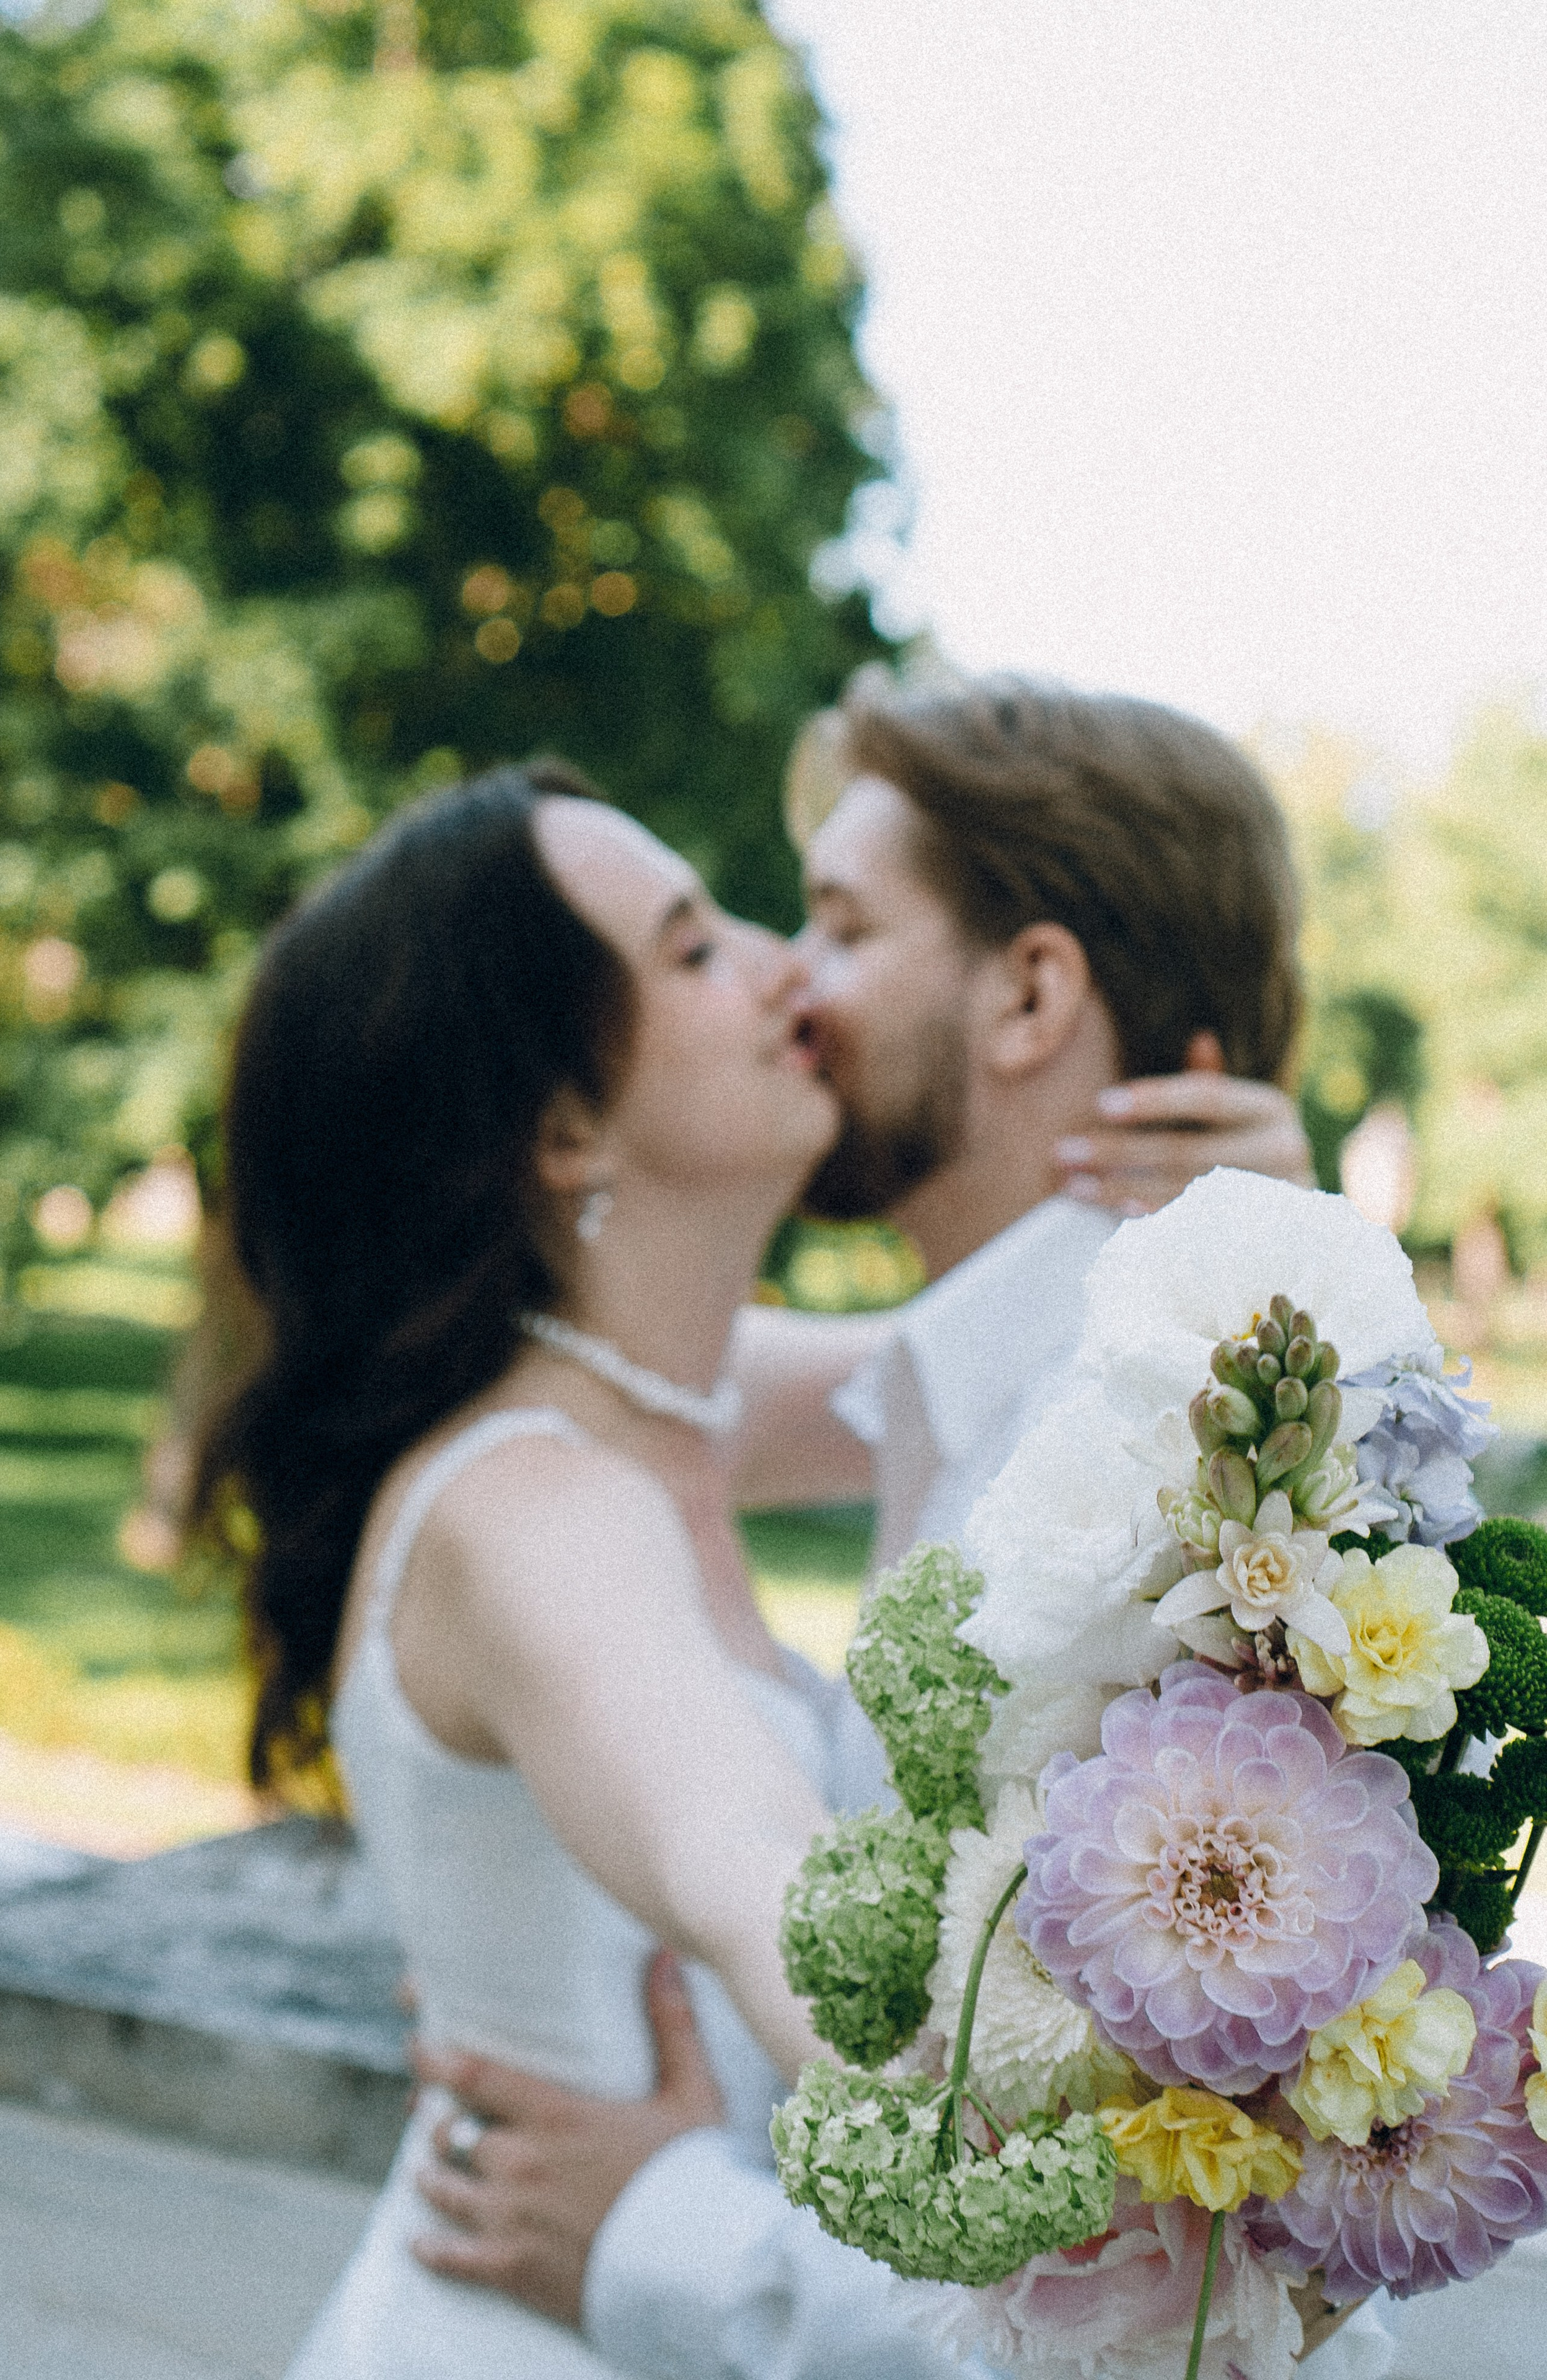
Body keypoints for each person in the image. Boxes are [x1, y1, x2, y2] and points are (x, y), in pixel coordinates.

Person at [407, 680, 1397, 2379]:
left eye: (842, 924)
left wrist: (661, 2245)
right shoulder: (977, 1386)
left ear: (1028, 995)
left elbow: (1216, 2254)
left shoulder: (1185, 1496)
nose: (792, 975)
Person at [197, 757, 930, 2379]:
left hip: (648, 2287)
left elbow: (1018, 1358)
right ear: (563, 1123)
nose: (781, 962)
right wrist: (1034, 2150)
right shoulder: (537, 1513)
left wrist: (1232, 1201)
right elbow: (740, 1846)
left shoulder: (678, 1413)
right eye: (691, 949)